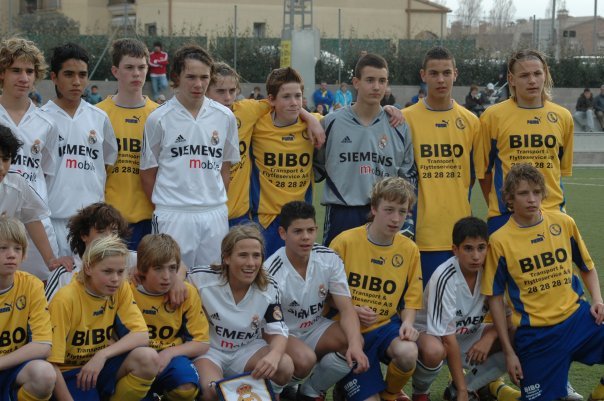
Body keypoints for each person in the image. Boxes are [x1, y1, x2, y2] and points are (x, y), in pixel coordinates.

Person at [482, 163, 604, 401]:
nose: (532, 199)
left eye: (537, 192)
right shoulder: (499, 241)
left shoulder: (563, 223)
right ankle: (497, 389)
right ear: (509, 198)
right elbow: (494, 298)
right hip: (538, 336)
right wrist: (509, 351)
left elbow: (586, 267)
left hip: (578, 321)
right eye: (523, 193)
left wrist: (598, 300)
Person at [140, 44, 239, 268]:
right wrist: (167, 205)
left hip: (214, 214)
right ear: (176, 77)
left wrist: (213, 200)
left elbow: (225, 168)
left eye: (204, 77)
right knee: (170, 282)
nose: (198, 84)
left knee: (211, 282)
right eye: (191, 77)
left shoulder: (225, 117)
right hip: (173, 214)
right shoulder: (159, 118)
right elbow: (147, 173)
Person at [265, 201, 369, 400]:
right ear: (282, 233)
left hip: (314, 327)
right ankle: (276, 391)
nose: (305, 237)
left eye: (310, 230)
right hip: (282, 333)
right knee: (305, 360)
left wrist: (356, 345)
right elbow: (269, 326)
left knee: (353, 340)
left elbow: (346, 310)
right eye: (297, 231)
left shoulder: (329, 259)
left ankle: (310, 392)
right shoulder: (272, 271)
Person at [331, 177, 423, 401]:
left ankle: (390, 394)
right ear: (373, 208)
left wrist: (409, 323)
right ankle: (342, 387)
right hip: (347, 332)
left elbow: (412, 297)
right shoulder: (344, 242)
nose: (395, 219)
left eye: (402, 212)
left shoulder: (409, 249)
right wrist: (350, 309)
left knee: (408, 352)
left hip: (383, 328)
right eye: (389, 210)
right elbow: (323, 294)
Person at [206, 62, 324, 228]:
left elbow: (282, 101)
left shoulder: (247, 111)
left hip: (240, 215)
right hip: (204, 212)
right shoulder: (191, 120)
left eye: (232, 91)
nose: (227, 97)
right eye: (220, 91)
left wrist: (310, 118)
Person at [314, 53, 416, 247]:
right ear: (356, 82)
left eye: (382, 81)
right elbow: (317, 169)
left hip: (384, 212)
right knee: (336, 273)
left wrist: (406, 216)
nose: (377, 87)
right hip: (342, 212)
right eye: (370, 80)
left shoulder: (399, 125)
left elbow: (407, 176)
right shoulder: (331, 122)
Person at [411, 217, 518, 401]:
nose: (476, 256)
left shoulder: (492, 273)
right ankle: (421, 392)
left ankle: (466, 387)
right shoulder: (444, 277)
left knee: (518, 335)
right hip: (433, 335)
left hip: (469, 335)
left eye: (481, 248)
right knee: (433, 350)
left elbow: (509, 319)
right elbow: (448, 339)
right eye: (468, 248)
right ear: (455, 249)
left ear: (488, 248)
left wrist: (489, 337)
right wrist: (462, 393)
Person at [188, 224, 294, 400]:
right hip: (210, 350)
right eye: (243, 255)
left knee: (285, 365)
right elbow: (177, 271)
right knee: (212, 393)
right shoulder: (201, 279)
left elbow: (278, 331)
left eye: (256, 256)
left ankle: (272, 394)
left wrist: (274, 356)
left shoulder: (268, 287)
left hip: (247, 350)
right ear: (227, 257)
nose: (251, 263)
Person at [402, 46, 481, 282]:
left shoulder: (471, 122)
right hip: (418, 235)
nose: (440, 79)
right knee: (421, 313)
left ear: (455, 74)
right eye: (434, 73)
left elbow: (474, 177)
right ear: (423, 75)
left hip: (460, 236)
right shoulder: (405, 119)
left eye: (446, 73)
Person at [48, 235, 159, 400]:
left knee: (148, 358)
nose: (115, 279)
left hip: (101, 364)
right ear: (88, 268)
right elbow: (51, 362)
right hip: (70, 372)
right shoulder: (65, 299)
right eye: (107, 271)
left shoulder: (120, 288)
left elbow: (142, 335)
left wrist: (102, 355)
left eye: (120, 272)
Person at [476, 49, 574, 234]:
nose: (532, 80)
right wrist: (502, 204)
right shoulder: (492, 116)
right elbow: (485, 172)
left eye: (537, 73)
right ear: (511, 79)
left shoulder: (563, 117)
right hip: (506, 215)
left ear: (545, 74)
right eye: (524, 75)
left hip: (552, 213)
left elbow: (559, 170)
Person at [41, 42, 118, 256]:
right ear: (54, 77)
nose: (76, 82)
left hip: (93, 226)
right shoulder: (41, 118)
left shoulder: (99, 118)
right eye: (69, 74)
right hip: (53, 220)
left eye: (82, 75)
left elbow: (107, 162)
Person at [0, 37, 67, 278]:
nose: (24, 78)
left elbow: (47, 173)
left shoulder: (47, 123)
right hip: (3, 218)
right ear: (2, 74)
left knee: (42, 289)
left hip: (36, 224)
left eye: (29, 71)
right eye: (16, 70)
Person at [132, 234, 210, 400]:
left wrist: (168, 353)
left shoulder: (186, 292)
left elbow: (202, 343)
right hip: (134, 360)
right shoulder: (126, 289)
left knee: (186, 388)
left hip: (170, 357)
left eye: (172, 268)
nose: (167, 276)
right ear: (142, 268)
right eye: (158, 268)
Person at [97, 38, 158, 250]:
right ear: (115, 71)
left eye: (142, 67)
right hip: (108, 220)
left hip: (148, 218)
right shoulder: (98, 114)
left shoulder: (159, 115)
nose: (136, 73)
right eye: (129, 67)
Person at [249, 67, 316, 256]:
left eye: (298, 96)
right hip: (265, 221)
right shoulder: (257, 125)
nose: (294, 103)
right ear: (271, 100)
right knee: (263, 280)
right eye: (286, 96)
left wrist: (388, 109)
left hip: (300, 221)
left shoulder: (316, 124)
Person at [0, 216, 56, 401]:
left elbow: (43, 344)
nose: (11, 255)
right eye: (3, 248)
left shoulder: (31, 285)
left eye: (18, 249)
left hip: (15, 365)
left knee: (45, 374)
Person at [0, 125, 68, 277]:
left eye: (6, 159)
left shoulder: (17, 184)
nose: (1, 167)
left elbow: (32, 218)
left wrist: (51, 260)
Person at [44, 201, 132, 302]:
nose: (109, 238)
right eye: (101, 232)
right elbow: (47, 314)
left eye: (114, 232)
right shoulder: (64, 273)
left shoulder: (130, 259)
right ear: (84, 235)